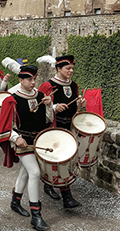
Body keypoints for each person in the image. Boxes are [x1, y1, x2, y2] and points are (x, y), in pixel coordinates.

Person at [0, 65, 52, 231]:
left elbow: (48, 120)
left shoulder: (42, 97)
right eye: (29, 79)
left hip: (39, 140)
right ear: (20, 80)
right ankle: (36, 216)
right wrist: (16, 138)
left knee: (25, 172)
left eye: (35, 79)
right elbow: (4, 126)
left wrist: (49, 106)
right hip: (23, 141)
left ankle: (15, 201)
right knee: (35, 172)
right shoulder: (11, 99)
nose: (33, 82)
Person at [39, 55, 87, 208]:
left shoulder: (74, 85)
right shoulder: (48, 86)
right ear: (58, 68)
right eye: (68, 68)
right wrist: (54, 107)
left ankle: (53, 186)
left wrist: (81, 104)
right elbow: (39, 108)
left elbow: (76, 109)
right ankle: (65, 195)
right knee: (58, 159)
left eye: (72, 68)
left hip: (68, 127)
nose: (71, 71)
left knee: (65, 159)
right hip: (53, 127)